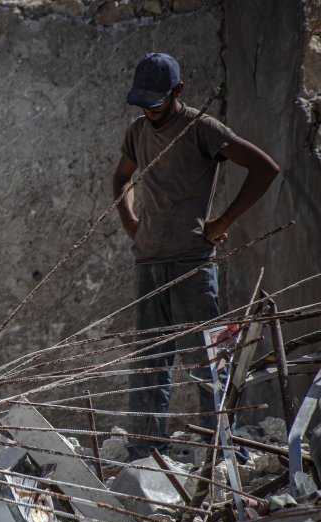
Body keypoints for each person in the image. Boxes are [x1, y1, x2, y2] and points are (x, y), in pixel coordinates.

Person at [111, 53, 279, 458]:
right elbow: (121, 178)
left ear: (178, 92)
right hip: (148, 261)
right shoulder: (137, 131)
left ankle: (221, 447)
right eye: (143, 103)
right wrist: (130, 220)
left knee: (207, 357)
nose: (150, 110)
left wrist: (221, 222)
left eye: (157, 102)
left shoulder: (201, 128)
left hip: (191, 261)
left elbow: (265, 168)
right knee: (150, 359)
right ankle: (144, 449)